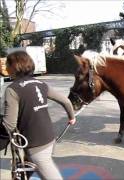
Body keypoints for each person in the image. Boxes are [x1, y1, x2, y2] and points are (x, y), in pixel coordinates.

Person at [1, 51, 76, 180]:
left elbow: (9, 125)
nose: (5, 67)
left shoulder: (12, 90)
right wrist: (72, 117)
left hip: (36, 147)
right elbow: (66, 101)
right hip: (49, 139)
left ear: (14, 67)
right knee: (26, 168)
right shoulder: (40, 84)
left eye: (7, 64)